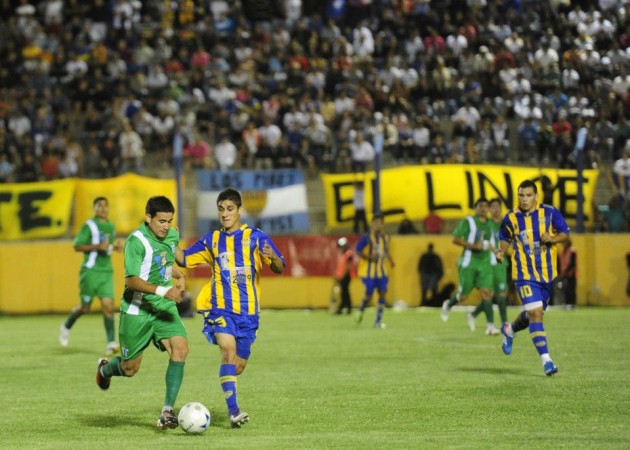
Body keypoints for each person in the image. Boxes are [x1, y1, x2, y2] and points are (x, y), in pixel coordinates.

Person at [176, 188, 285, 428]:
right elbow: (183, 258)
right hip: (220, 310)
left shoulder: (256, 238)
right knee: (227, 350)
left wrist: (273, 258)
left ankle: (227, 395)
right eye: (221, 209)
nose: (224, 214)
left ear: (239, 210)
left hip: (249, 316)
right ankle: (234, 412)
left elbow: (279, 266)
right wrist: (164, 240)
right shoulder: (211, 240)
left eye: (229, 209)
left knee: (237, 366)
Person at [95, 196, 189, 430]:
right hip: (138, 309)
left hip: (163, 308)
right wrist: (163, 290)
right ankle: (105, 369)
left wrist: (180, 276)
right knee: (130, 369)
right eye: (161, 221)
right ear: (148, 218)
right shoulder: (136, 242)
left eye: (169, 221)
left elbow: (167, 260)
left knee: (180, 348)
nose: (166, 226)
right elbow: (132, 280)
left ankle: (167, 411)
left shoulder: (171, 234)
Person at [495, 179, 570, 376]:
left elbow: (565, 233)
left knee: (533, 315)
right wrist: (501, 251)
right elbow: (504, 237)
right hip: (524, 275)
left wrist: (552, 238)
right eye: (521, 195)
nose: (525, 199)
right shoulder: (511, 218)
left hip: (547, 274)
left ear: (536, 196)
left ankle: (509, 330)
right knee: (536, 314)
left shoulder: (550, 212)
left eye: (528, 195)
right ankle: (547, 360)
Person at [59, 197, 123, 357]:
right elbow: (77, 245)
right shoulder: (89, 226)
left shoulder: (110, 226)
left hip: (106, 270)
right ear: (94, 209)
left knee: (108, 306)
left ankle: (111, 343)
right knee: (85, 308)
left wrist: (114, 247)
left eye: (105, 206)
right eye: (99, 206)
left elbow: (106, 246)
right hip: (90, 271)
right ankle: (66, 326)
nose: (103, 208)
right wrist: (96, 246)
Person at [440, 198, 499, 335]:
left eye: (486, 206)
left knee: (486, 293)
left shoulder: (490, 224)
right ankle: (448, 305)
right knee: (463, 296)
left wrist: (495, 252)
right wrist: (473, 246)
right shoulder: (469, 222)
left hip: (484, 263)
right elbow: (455, 239)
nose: (484, 208)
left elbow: (488, 242)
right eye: (480, 206)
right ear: (475, 208)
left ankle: (490, 326)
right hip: (469, 262)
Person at [469, 198, 509, 326]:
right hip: (488, 263)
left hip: (501, 263)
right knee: (490, 295)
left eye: (498, 206)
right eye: (492, 207)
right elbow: (481, 242)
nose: (495, 209)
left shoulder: (507, 223)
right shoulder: (486, 224)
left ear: (501, 208)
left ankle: (503, 323)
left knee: (502, 294)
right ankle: (500, 323)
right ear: (489, 210)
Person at [356, 214, 396, 328]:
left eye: (380, 223)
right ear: (372, 224)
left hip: (382, 271)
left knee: (382, 294)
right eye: (376, 223)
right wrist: (369, 257)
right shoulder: (366, 237)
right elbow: (358, 251)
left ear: (383, 224)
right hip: (368, 272)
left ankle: (378, 321)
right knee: (369, 295)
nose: (378, 225)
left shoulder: (385, 238)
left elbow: (386, 251)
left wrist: (391, 261)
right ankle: (361, 309)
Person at [333, 236, 355, 314]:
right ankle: (347, 307)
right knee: (344, 292)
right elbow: (340, 267)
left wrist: (344, 276)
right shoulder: (342, 254)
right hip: (342, 276)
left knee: (344, 292)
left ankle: (342, 308)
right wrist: (337, 276)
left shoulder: (348, 254)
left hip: (346, 276)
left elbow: (348, 266)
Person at [557, 238, 577, 309]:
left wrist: (569, 271)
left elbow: (573, 263)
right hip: (563, 273)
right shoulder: (562, 252)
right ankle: (566, 303)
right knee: (564, 289)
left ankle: (572, 304)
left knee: (571, 289)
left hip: (570, 273)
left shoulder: (572, 251)